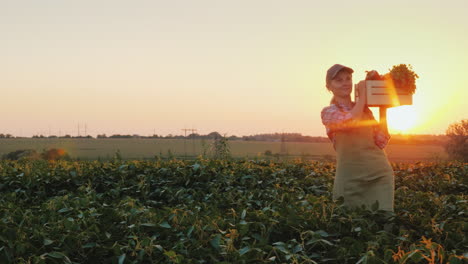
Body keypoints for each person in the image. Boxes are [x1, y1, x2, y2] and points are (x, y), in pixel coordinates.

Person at [321, 64, 394, 212]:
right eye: (339, 80)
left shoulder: (365, 111)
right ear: (329, 86)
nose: (345, 83)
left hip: (379, 175)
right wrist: (363, 98)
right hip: (349, 179)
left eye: (348, 79)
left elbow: (382, 141)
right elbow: (351, 122)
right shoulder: (329, 112)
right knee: (348, 222)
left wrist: (383, 108)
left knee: (383, 223)